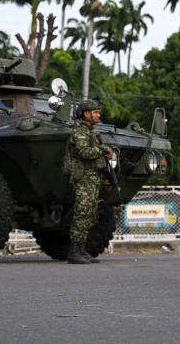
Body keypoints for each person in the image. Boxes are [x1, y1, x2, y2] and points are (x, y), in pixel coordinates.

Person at [67, 99, 112, 265]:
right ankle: (74, 251)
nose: (98, 115)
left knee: (89, 215)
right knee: (81, 213)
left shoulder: (91, 132)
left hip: (92, 179)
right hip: (84, 178)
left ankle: (81, 250)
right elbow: (84, 152)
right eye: (95, 112)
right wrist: (102, 149)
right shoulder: (80, 131)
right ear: (86, 114)